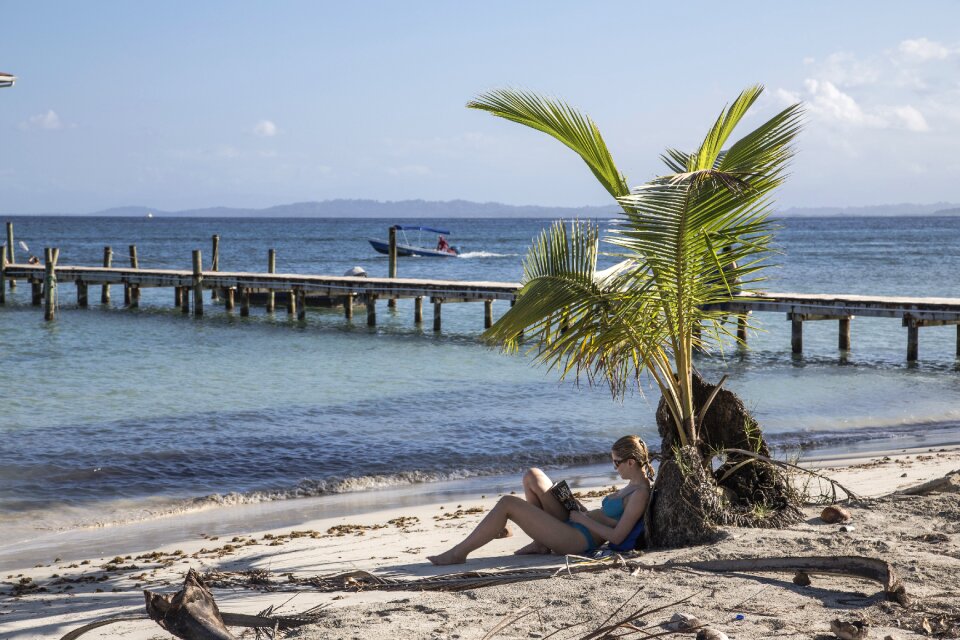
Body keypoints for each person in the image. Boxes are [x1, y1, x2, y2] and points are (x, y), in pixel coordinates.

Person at [427, 435, 654, 565]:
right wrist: (579, 511)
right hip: (578, 522)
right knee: (532, 475)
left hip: (578, 539)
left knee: (508, 503)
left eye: (616, 462)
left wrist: (582, 520)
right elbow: (607, 517)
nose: (614, 467)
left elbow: (617, 536)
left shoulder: (640, 493)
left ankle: (459, 553)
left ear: (631, 462)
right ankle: (541, 543)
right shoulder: (632, 484)